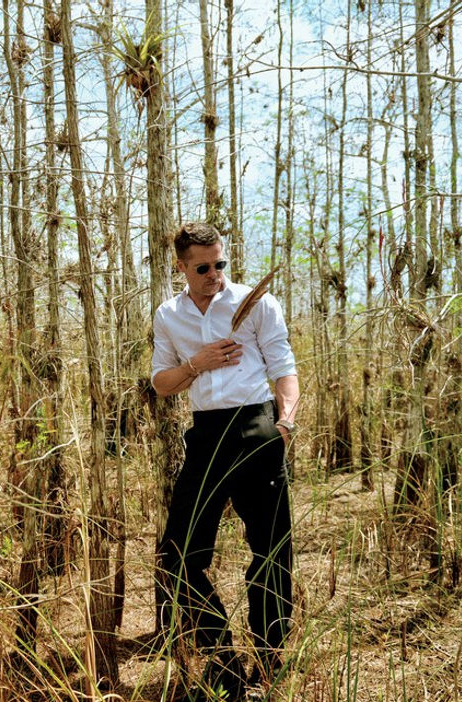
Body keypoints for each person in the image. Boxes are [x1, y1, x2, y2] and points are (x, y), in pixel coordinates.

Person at [151, 221, 299, 700]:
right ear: (181, 267)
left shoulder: (256, 303)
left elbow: (284, 367)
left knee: (271, 550)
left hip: (258, 427)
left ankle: (270, 660)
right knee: (178, 557)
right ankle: (224, 662)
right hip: (208, 433)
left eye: (220, 263)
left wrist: (285, 423)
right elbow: (161, 383)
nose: (214, 274)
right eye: (203, 267)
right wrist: (198, 362)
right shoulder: (168, 314)